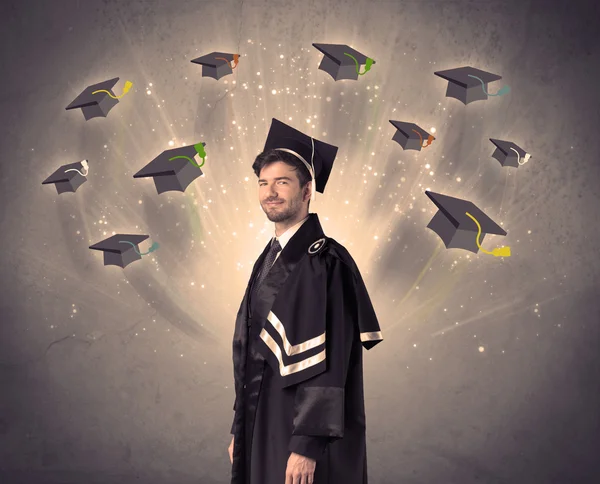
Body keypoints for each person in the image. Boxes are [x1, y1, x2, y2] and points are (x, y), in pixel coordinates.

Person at [229, 118, 383, 484]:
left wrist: (306, 445)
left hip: (307, 430)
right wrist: (240, 426)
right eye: (264, 183)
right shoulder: (267, 259)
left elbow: (334, 360)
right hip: (262, 421)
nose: (270, 192)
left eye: (282, 182)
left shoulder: (327, 261)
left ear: (307, 189)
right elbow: (251, 352)